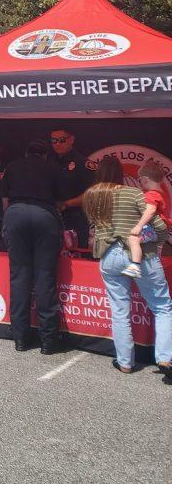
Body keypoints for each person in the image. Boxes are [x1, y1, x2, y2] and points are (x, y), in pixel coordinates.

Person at [84, 156, 171, 374]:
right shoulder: (134, 194)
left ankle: (124, 362)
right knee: (162, 307)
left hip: (109, 255)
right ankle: (165, 359)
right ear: (120, 174)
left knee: (119, 310)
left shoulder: (92, 196)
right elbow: (159, 225)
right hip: (141, 255)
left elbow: (94, 226)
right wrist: (157, 242)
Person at [0, 140, 63, 354]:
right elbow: (59, 198)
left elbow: (5, 198)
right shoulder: (52, 167)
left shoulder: (13, 166)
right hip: (44, 214)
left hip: (15, 213)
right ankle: (48, 341)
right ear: (44, 155)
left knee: (20, 276)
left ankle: (20, 338)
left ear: (26, 154)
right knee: (45, 277)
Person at [122, 160, 169, 279]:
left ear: (145, 179)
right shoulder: (161, 193)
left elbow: (150, 210)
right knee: (155, 252)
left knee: (133, 239)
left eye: (139, 180)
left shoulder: (151, 195)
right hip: (159, 230)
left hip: (152, 229)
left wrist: (138, 226)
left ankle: (135, 266)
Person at [49, 127, 92, 248]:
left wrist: (66, 204)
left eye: (61, 140)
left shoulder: (82, 163)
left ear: (71, 139)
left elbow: (91, 194)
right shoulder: (49, 161)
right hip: (52, 218)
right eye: (54, 141)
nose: (57, 144)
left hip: (75, 217)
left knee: (76, 254)